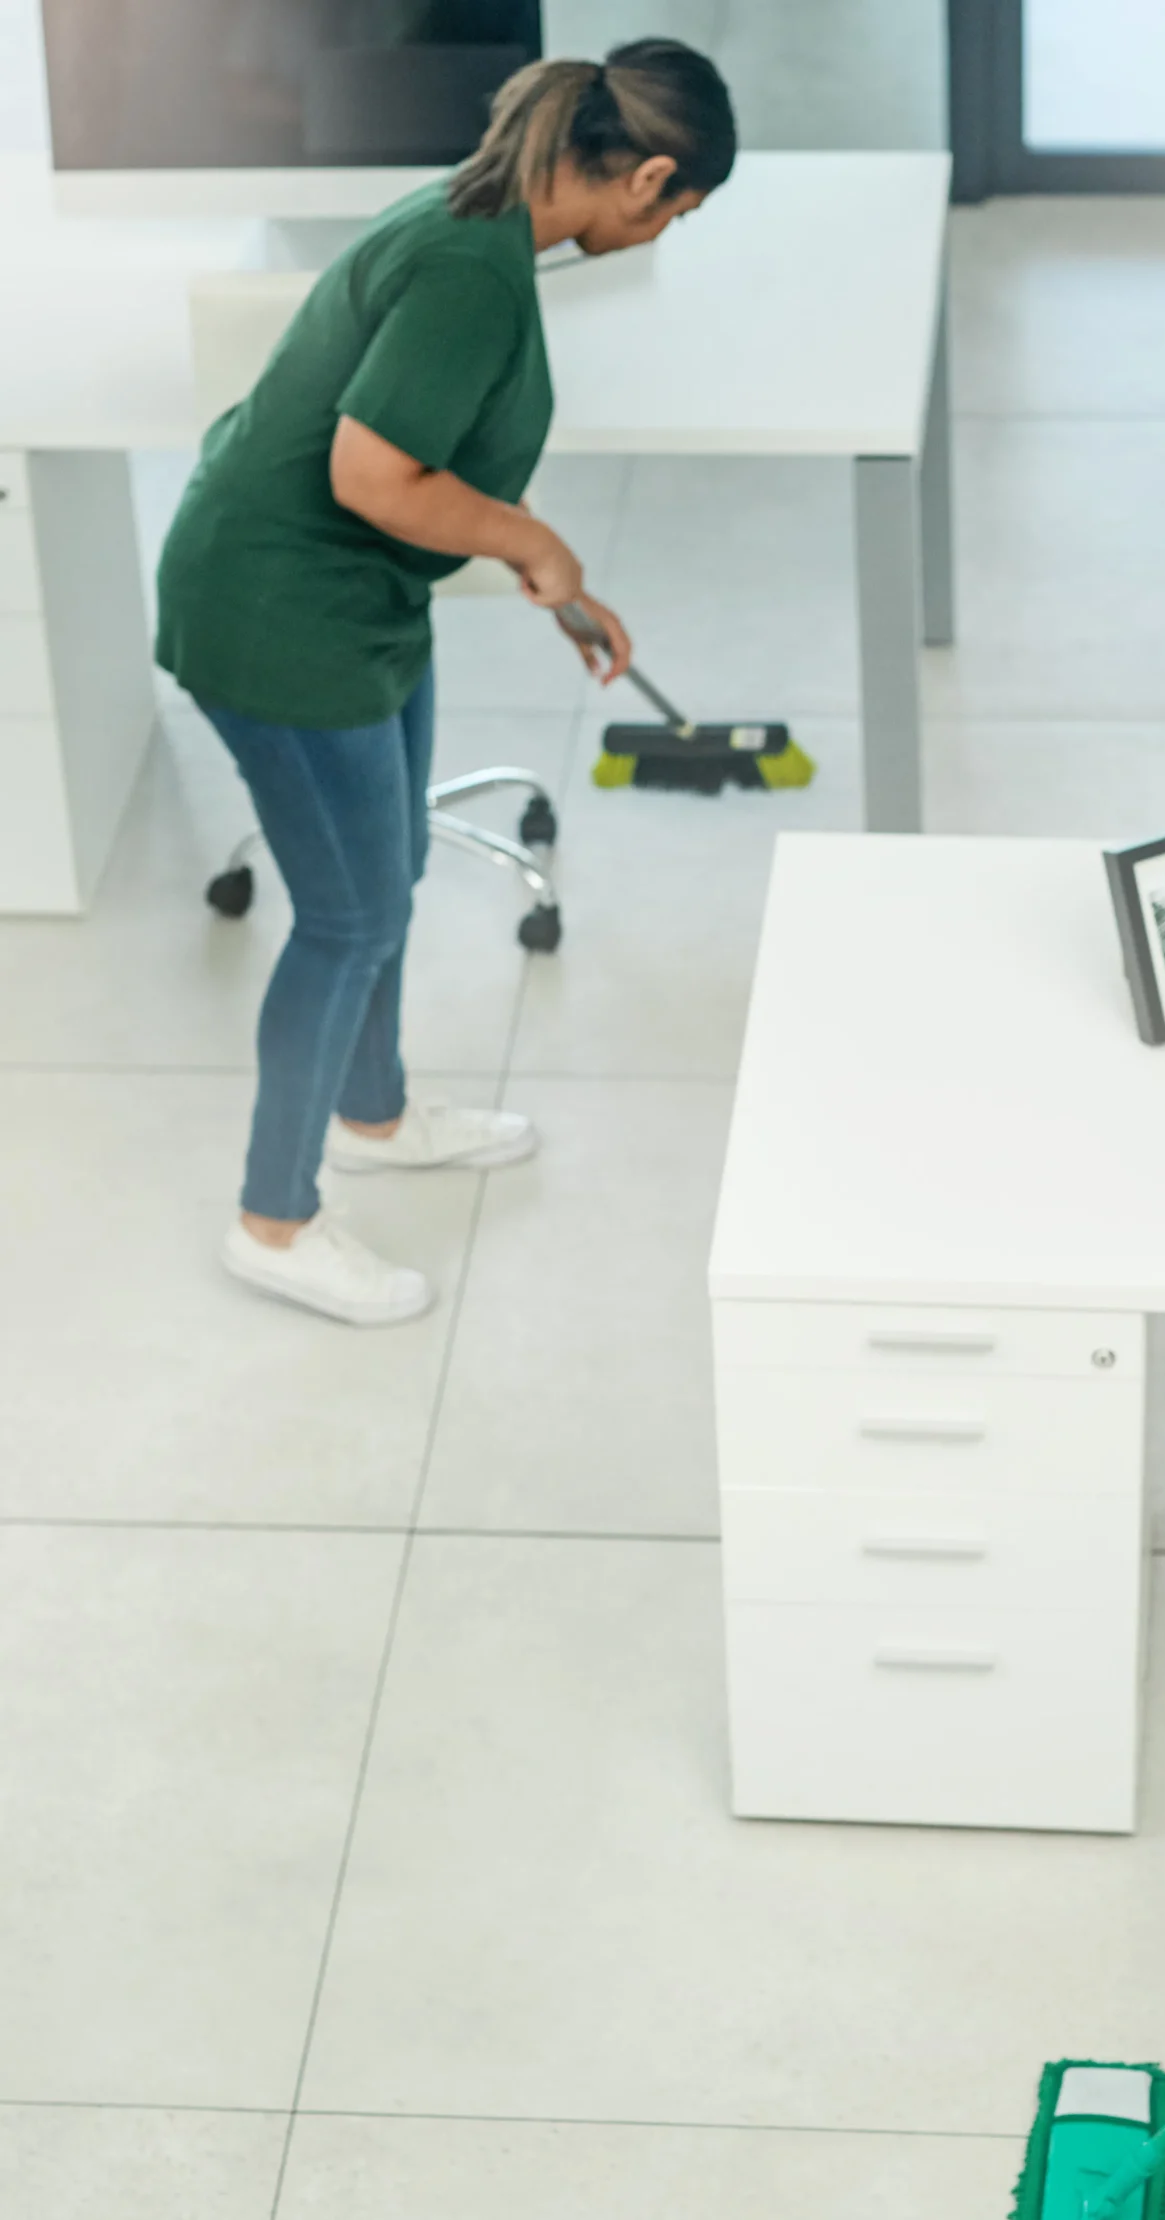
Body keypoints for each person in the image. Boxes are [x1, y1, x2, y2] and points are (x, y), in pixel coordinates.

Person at [156, 41, 736, 1324]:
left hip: (356, 603)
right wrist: (535, 541)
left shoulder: (481, 212)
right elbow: (375, 476)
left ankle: (372, 1112)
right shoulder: (469, 269)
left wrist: (563, 590)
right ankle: (274, 1219)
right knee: (349, 918)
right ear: (643, 176)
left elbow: (434, 451)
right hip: (279, 615)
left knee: (388, 875)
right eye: (680, 210)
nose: (668, 232)